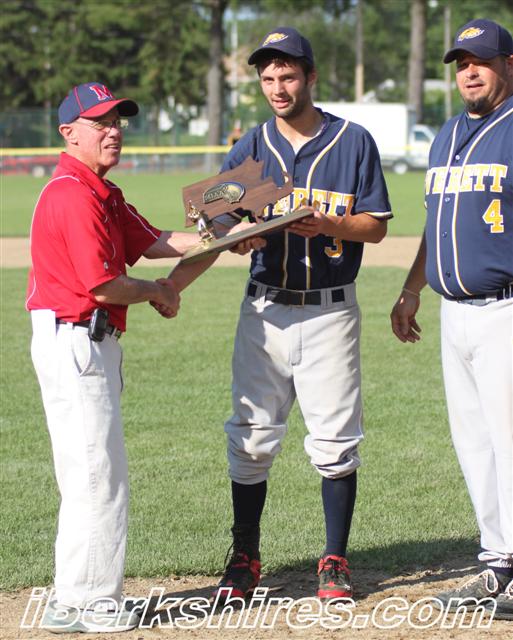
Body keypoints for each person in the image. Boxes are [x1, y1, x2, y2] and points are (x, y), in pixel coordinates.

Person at [26, 82, 261, 633]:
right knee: (98, 477)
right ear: (69, 133)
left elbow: (158, 241)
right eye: (101, 123)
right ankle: (94, 604)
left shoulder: (100, 191)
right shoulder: (71, 194)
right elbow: (104, 285)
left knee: (88, 475)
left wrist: (234, 231)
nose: (113, 132)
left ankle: (71, 599)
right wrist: (160, 291)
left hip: (83, 341)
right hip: (76, 339)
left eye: (118, 122)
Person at [207, 27, 392, 600]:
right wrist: (231, 235)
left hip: (330, 311)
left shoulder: (352, 142)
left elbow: (375, 227)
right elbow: (214, 217)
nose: (277, 87)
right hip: (264, 309)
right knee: (250, 438)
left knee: (335, 441)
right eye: (268, 78)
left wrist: (331, 223)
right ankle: (245, 556)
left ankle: (334, 559)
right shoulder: (253, 146)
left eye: (287, 75)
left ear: (310, 76)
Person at [390, 19, 512, 619]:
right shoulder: (446, 135)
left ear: (508, 65)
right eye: (461, 63)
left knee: (510, 443)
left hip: (506, 310)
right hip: (453, 314)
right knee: (476, 445)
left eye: (480, 60)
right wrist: (411, 288)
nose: (469, 72)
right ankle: (498, 563)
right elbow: (437, 224)